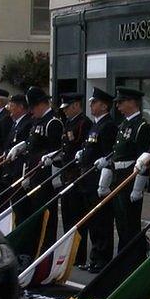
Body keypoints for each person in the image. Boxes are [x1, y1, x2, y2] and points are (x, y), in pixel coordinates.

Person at [97, 87, 150, 253]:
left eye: (121, 102)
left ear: (131, 102)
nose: (118, 106)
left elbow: (144, 159)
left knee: (130, 224)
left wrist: (138, 188)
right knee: (121, 223)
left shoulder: (141, 126)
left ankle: (134, 258)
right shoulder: (123, 125)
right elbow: (116, 154)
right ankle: (124, 258)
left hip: (130, 178)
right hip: (118, 177)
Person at [76, 88, 117, 273]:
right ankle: (94, 257)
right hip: (87, 178)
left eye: (94, 102)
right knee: (93, 221)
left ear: (104, 105)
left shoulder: (108, 125)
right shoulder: (95, 124)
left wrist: (105, 177)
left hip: (99, 179)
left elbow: (109, 154)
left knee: (102, 221)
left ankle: (103, 258)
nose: (91, 105)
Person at [24, 86, 63, 248]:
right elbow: (31, 147)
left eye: (33, 107)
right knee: (36, 214)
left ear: (41, 104)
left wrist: (54, 171)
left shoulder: (53, 122)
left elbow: (59, 151)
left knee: (47, 214)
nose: (32, 111)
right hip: (35, 174)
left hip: (46, 177)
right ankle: (38, 246)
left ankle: (47, 247)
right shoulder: (37, 122)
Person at [57, 92, 92, 266]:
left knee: (77, 219)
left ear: (76, 106)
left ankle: (79, 255)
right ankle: (69, 252)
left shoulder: (84, 123)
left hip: (77, 176)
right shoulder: (69, 123)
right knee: (68, 216)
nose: (65, 111)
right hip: (66, 175)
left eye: (68, 108)